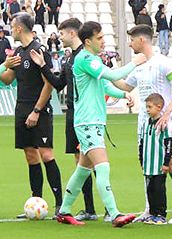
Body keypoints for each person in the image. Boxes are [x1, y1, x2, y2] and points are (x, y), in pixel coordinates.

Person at [54, 21, 147, 227]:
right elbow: (114, 75)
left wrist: (123, 94)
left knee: (83, 170)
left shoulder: (91, 60)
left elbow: (106, 84)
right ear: (88, 41)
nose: (104, 41)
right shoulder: (85, 58)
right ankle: (114, 214)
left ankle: (64, 211)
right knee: (103, 166)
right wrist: (135, 62)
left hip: (91, 121)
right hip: (87, 121)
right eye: (99, 38)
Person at [33, 18, 112, 219]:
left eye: (62, 34)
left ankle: (101, 208)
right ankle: (90, 208)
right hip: (73, 115)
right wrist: (43, 66)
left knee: (93, 160)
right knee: (82, 161)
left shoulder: (85, 58)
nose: (59, 38)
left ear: (72, 33)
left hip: (85, 116)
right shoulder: (69, 59)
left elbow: (104, 81)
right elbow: (59, 84)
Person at [114, 25, 172, 224]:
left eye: (131, 40)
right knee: (147, 165)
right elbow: (125, 86)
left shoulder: (163, 62)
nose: (129, 44)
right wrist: (105, 72)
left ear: (142, 40)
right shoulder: (138, 65)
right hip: (143, 125)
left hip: (163, 124)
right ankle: (149, 209)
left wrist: (167, 113)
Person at [1, 12, 62, 216]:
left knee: (46, 154)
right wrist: (5, 65)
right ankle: (36, 201)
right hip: (21, 108)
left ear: (19, 28)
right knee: (30, 155)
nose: (10, 28)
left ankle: (60, 204)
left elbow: (49, 84)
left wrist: (36, 110)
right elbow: (8, 79)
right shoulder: (18, 51)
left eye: (12, 24)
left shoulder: (39, 50)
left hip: (40, 110)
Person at [137, 93, 172, 224]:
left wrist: (166, 163)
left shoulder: (164, 124)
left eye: (149, 107)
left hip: (158, 165)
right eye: (146, 107)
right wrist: (141, 160)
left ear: (159, 107)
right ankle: (152, 213)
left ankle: (161, 214)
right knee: (150, 190)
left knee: (159, 190)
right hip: (148, 165)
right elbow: (141, 144)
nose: (147, 110)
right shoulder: (145, 124)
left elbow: (169, 143)